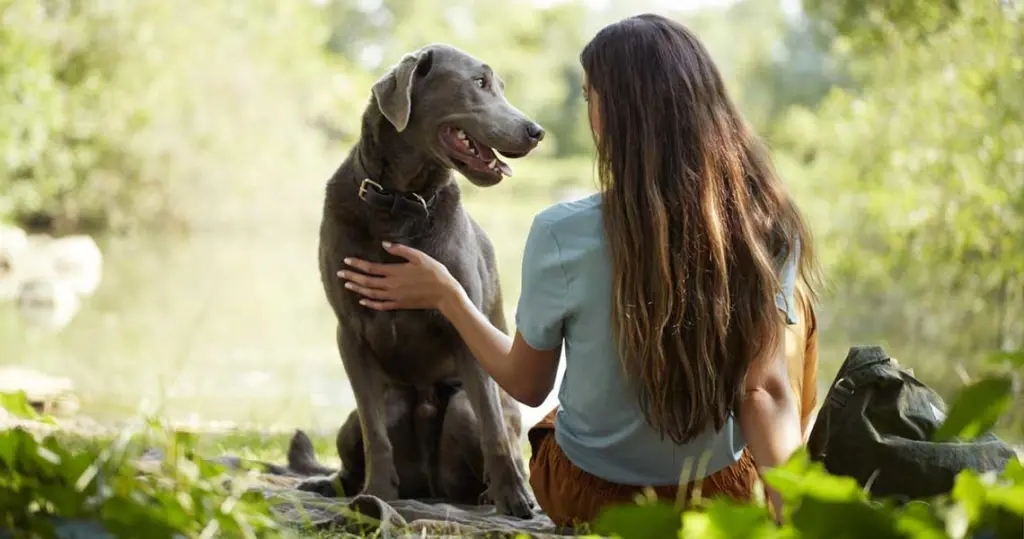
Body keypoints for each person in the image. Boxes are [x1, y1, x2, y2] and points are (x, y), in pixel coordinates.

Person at [336, 13, 822, 527]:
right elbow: (762, 393)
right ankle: (790, 491)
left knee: (555, 420)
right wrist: (794, 524)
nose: (588, 111)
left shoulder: (560, 232)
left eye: (590, 98)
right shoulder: (765, 229)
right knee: (789, 328)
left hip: (589, 497)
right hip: (713, 496)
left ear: (617, 114)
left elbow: (526, 386)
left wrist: (449, 296)